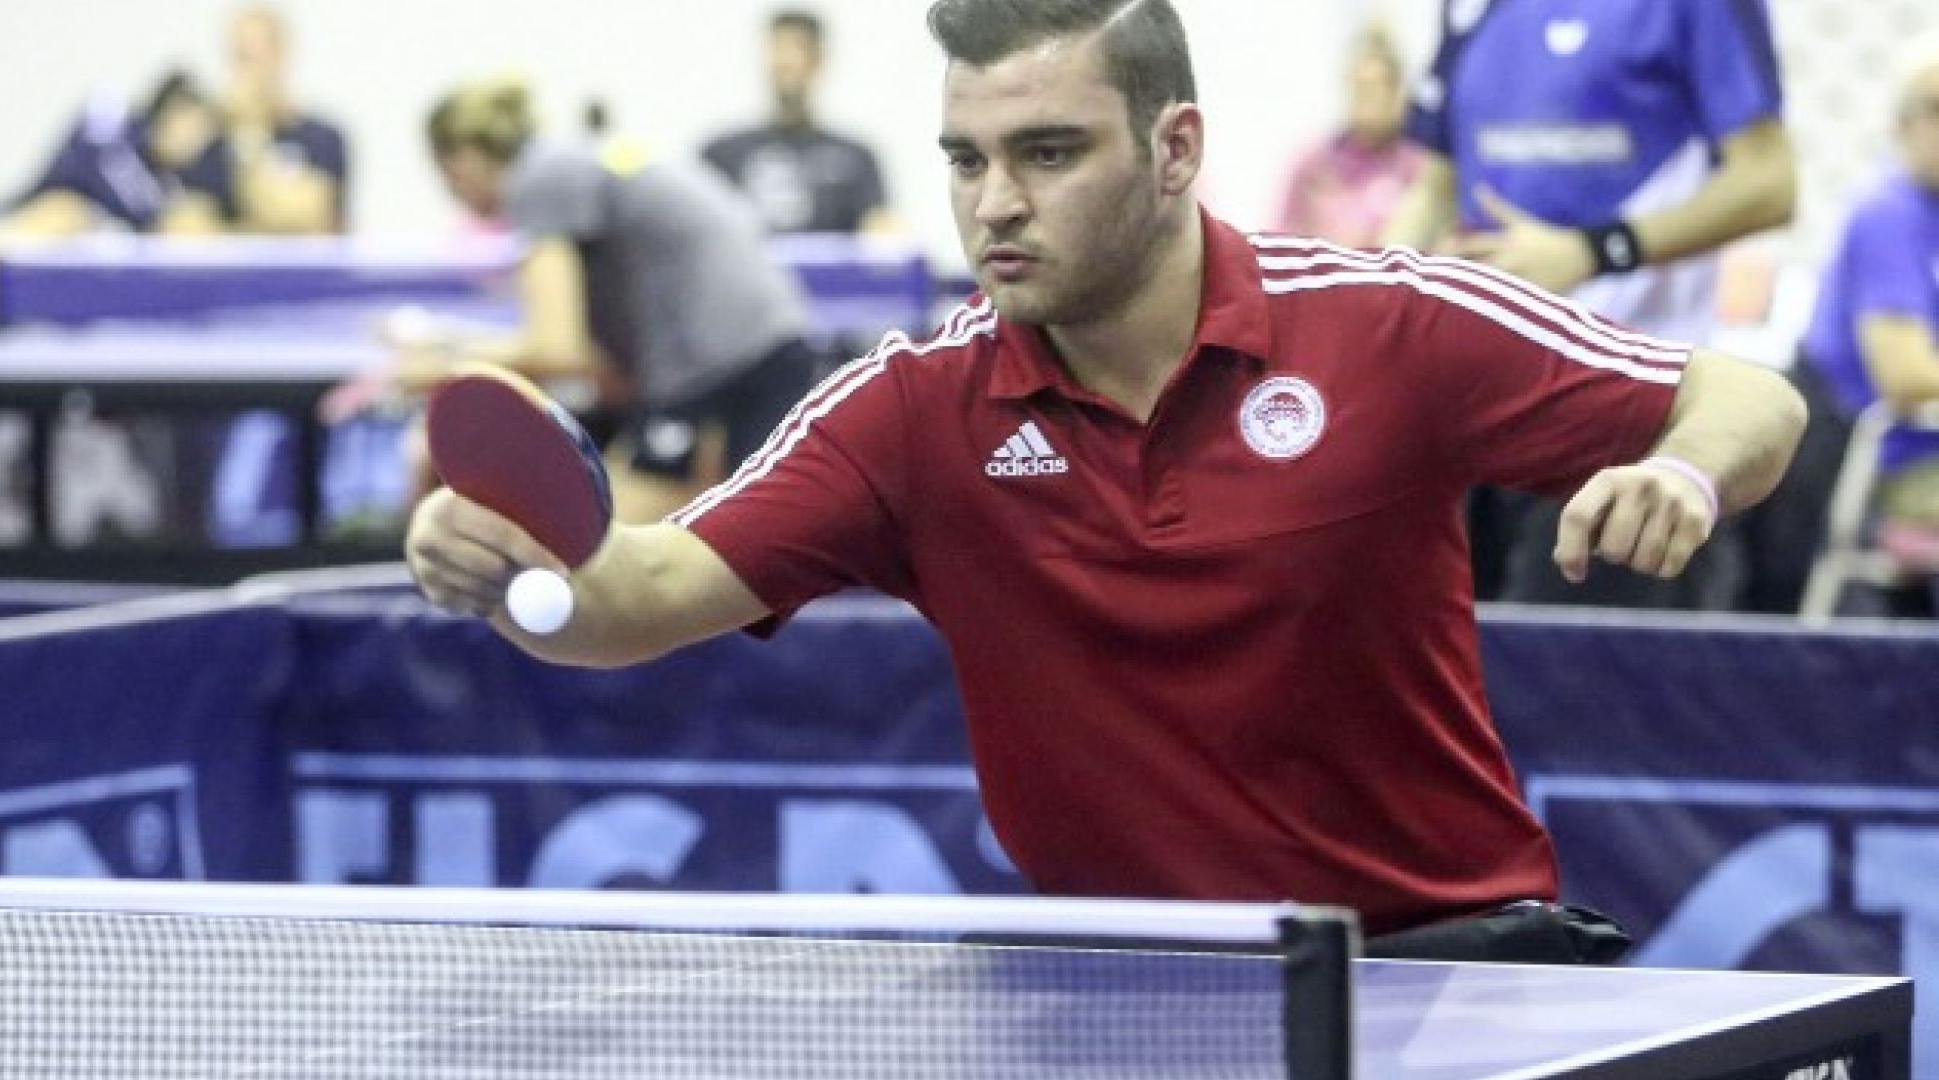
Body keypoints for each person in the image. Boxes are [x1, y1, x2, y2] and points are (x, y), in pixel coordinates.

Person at [405, 0, 1805, 953]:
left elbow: (1749, 399)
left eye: (1048, 153)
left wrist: (1684, 475)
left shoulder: (1389, 324)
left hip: (1445, 970)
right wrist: (510, 569)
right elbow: (637, 597)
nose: (994, 203)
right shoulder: (913, 409)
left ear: (1174, 148)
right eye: (965, 159)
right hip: (1128, 994)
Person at [1387, 0, 1797, 610]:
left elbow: (1769, 183)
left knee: (1581, 663)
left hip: (1625, 414)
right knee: (1452, 655)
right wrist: (1371, 293)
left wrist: (1593, 250)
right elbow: (1434, 188)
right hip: (1470, 408)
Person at [412, 77, 818, 523]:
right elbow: (599, 366)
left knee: (611, 549)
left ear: (464, 157)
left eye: (444, 171)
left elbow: (556, 348)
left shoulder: (539, 179)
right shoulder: (573, 163)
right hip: (761, 344)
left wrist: (440, 366)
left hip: (725, 364)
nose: (448, 189)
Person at [1789, 32, 1939, 617]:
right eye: (1935, 109)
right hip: (1888, 462)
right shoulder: (1890, 217)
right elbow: (1905, 378)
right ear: (1902, 124)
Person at [0, 70, 231, 322]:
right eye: (193, 125)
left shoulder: (175, 189)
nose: (196, 140)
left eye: (204, 133)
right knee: (63, 213)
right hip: (31, 226)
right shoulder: (114, 130)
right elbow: (85, 175)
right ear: (170, 114)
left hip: (83, 283)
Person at [702, 9, 895, 236]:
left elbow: (882, 236)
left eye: (798, 48)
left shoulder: (855, 159)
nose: (786, 61)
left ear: (818, 62)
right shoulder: (722, 155)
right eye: (777, 48)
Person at [1268, 21, 1421, 249]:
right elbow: (1277, 235)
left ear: (1396, 91)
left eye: (1376, 88)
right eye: (1360, 88)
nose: (1367, 102)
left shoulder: (1417, 165)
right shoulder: (1311, 161)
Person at [213, 4, 350, 234]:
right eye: (238, 57)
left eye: (253, 57)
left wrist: (250, 134)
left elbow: (310, 219)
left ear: (281, 54)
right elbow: (195, 228)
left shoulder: (322, 138)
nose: (247, 71)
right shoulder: (212, 140)